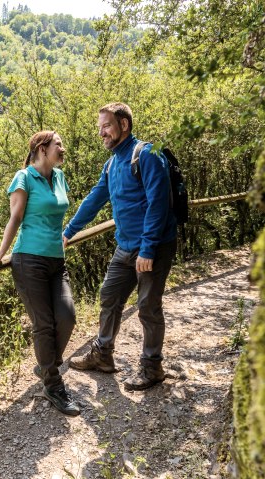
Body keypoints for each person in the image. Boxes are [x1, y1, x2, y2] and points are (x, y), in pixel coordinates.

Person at [63, 102, 177, 391]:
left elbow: (158, 203)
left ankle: (152, 368)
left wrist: (148, 249)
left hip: (153, 247)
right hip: (125, 247)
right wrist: (68, 232)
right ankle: (102, 356)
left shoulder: (147, 155)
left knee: (148, 307)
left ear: (123, 125)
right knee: (109, 297)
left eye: (106, 126)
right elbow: (94, 199)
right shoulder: (112, 162)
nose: (101, 132)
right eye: (100, 127)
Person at [0, 130, 80, 416]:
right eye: (58, 144)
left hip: (56, 260)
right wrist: (1, 254)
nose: (63, 148)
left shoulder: (60, 177)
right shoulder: (23, 177)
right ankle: (53, 384)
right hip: (29, 260)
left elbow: (56, 215)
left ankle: (46, 364)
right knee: (44, 324)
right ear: (41, 148)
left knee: (67, 316)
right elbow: (16, 217)